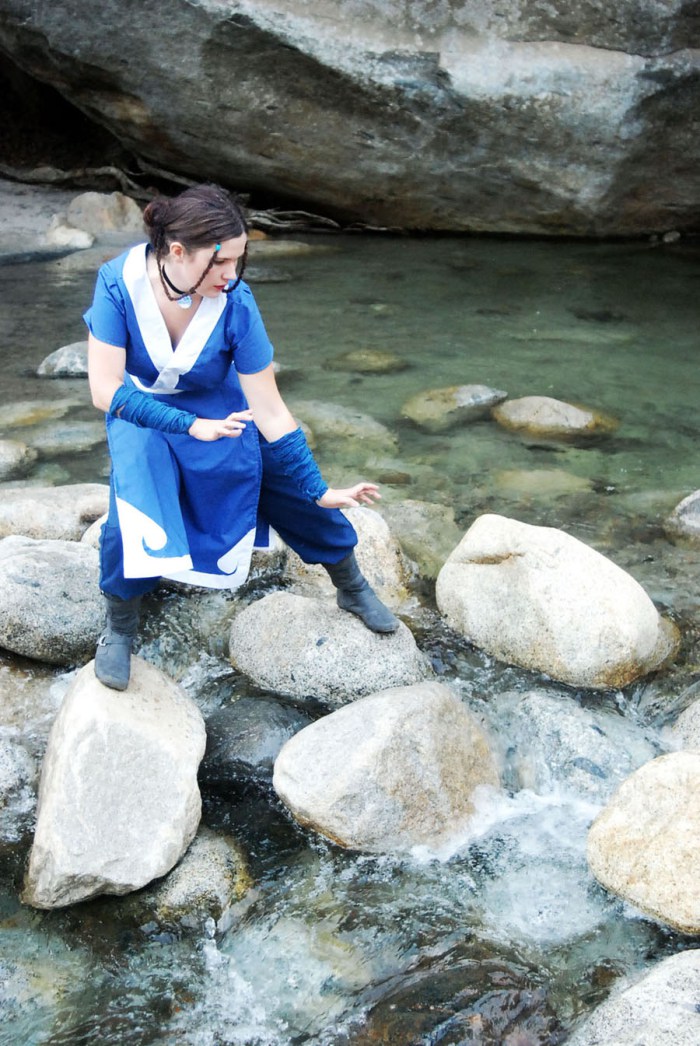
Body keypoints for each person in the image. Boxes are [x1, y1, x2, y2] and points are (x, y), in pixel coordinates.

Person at [85, 183, 399, 691]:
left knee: (278, 477)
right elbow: (104, 390)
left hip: (220, 403)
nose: (231, 274)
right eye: (221, 262)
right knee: (133, 513)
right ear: (178, 252)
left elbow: (270, 410)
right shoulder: (117, 285)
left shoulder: (237, 303)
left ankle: (351, 584)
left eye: (238, 259)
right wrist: (189, 426)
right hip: (141, 412)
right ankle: (119, 627)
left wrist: (317, 487)